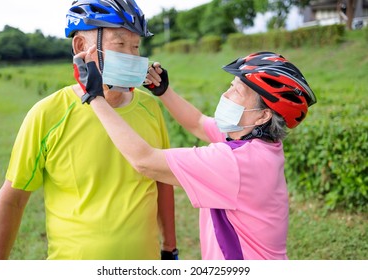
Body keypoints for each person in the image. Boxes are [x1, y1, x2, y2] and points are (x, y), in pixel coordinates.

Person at [72, 49, 317, 260]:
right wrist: (163, 91)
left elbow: (145, 161)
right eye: (230, 87)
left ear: (263, 115)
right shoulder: (259, 144)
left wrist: (95, 98)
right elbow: (199, 123)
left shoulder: (234, 162)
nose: (225, 95)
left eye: (237, 92)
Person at [0, 0, 177, 260]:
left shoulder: (150, 108)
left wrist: (169, 248)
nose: (132, 56)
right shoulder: (48, 113)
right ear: (80, 46)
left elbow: (162, 182)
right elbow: (13, 199)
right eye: (120, 44)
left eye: (136, 45)